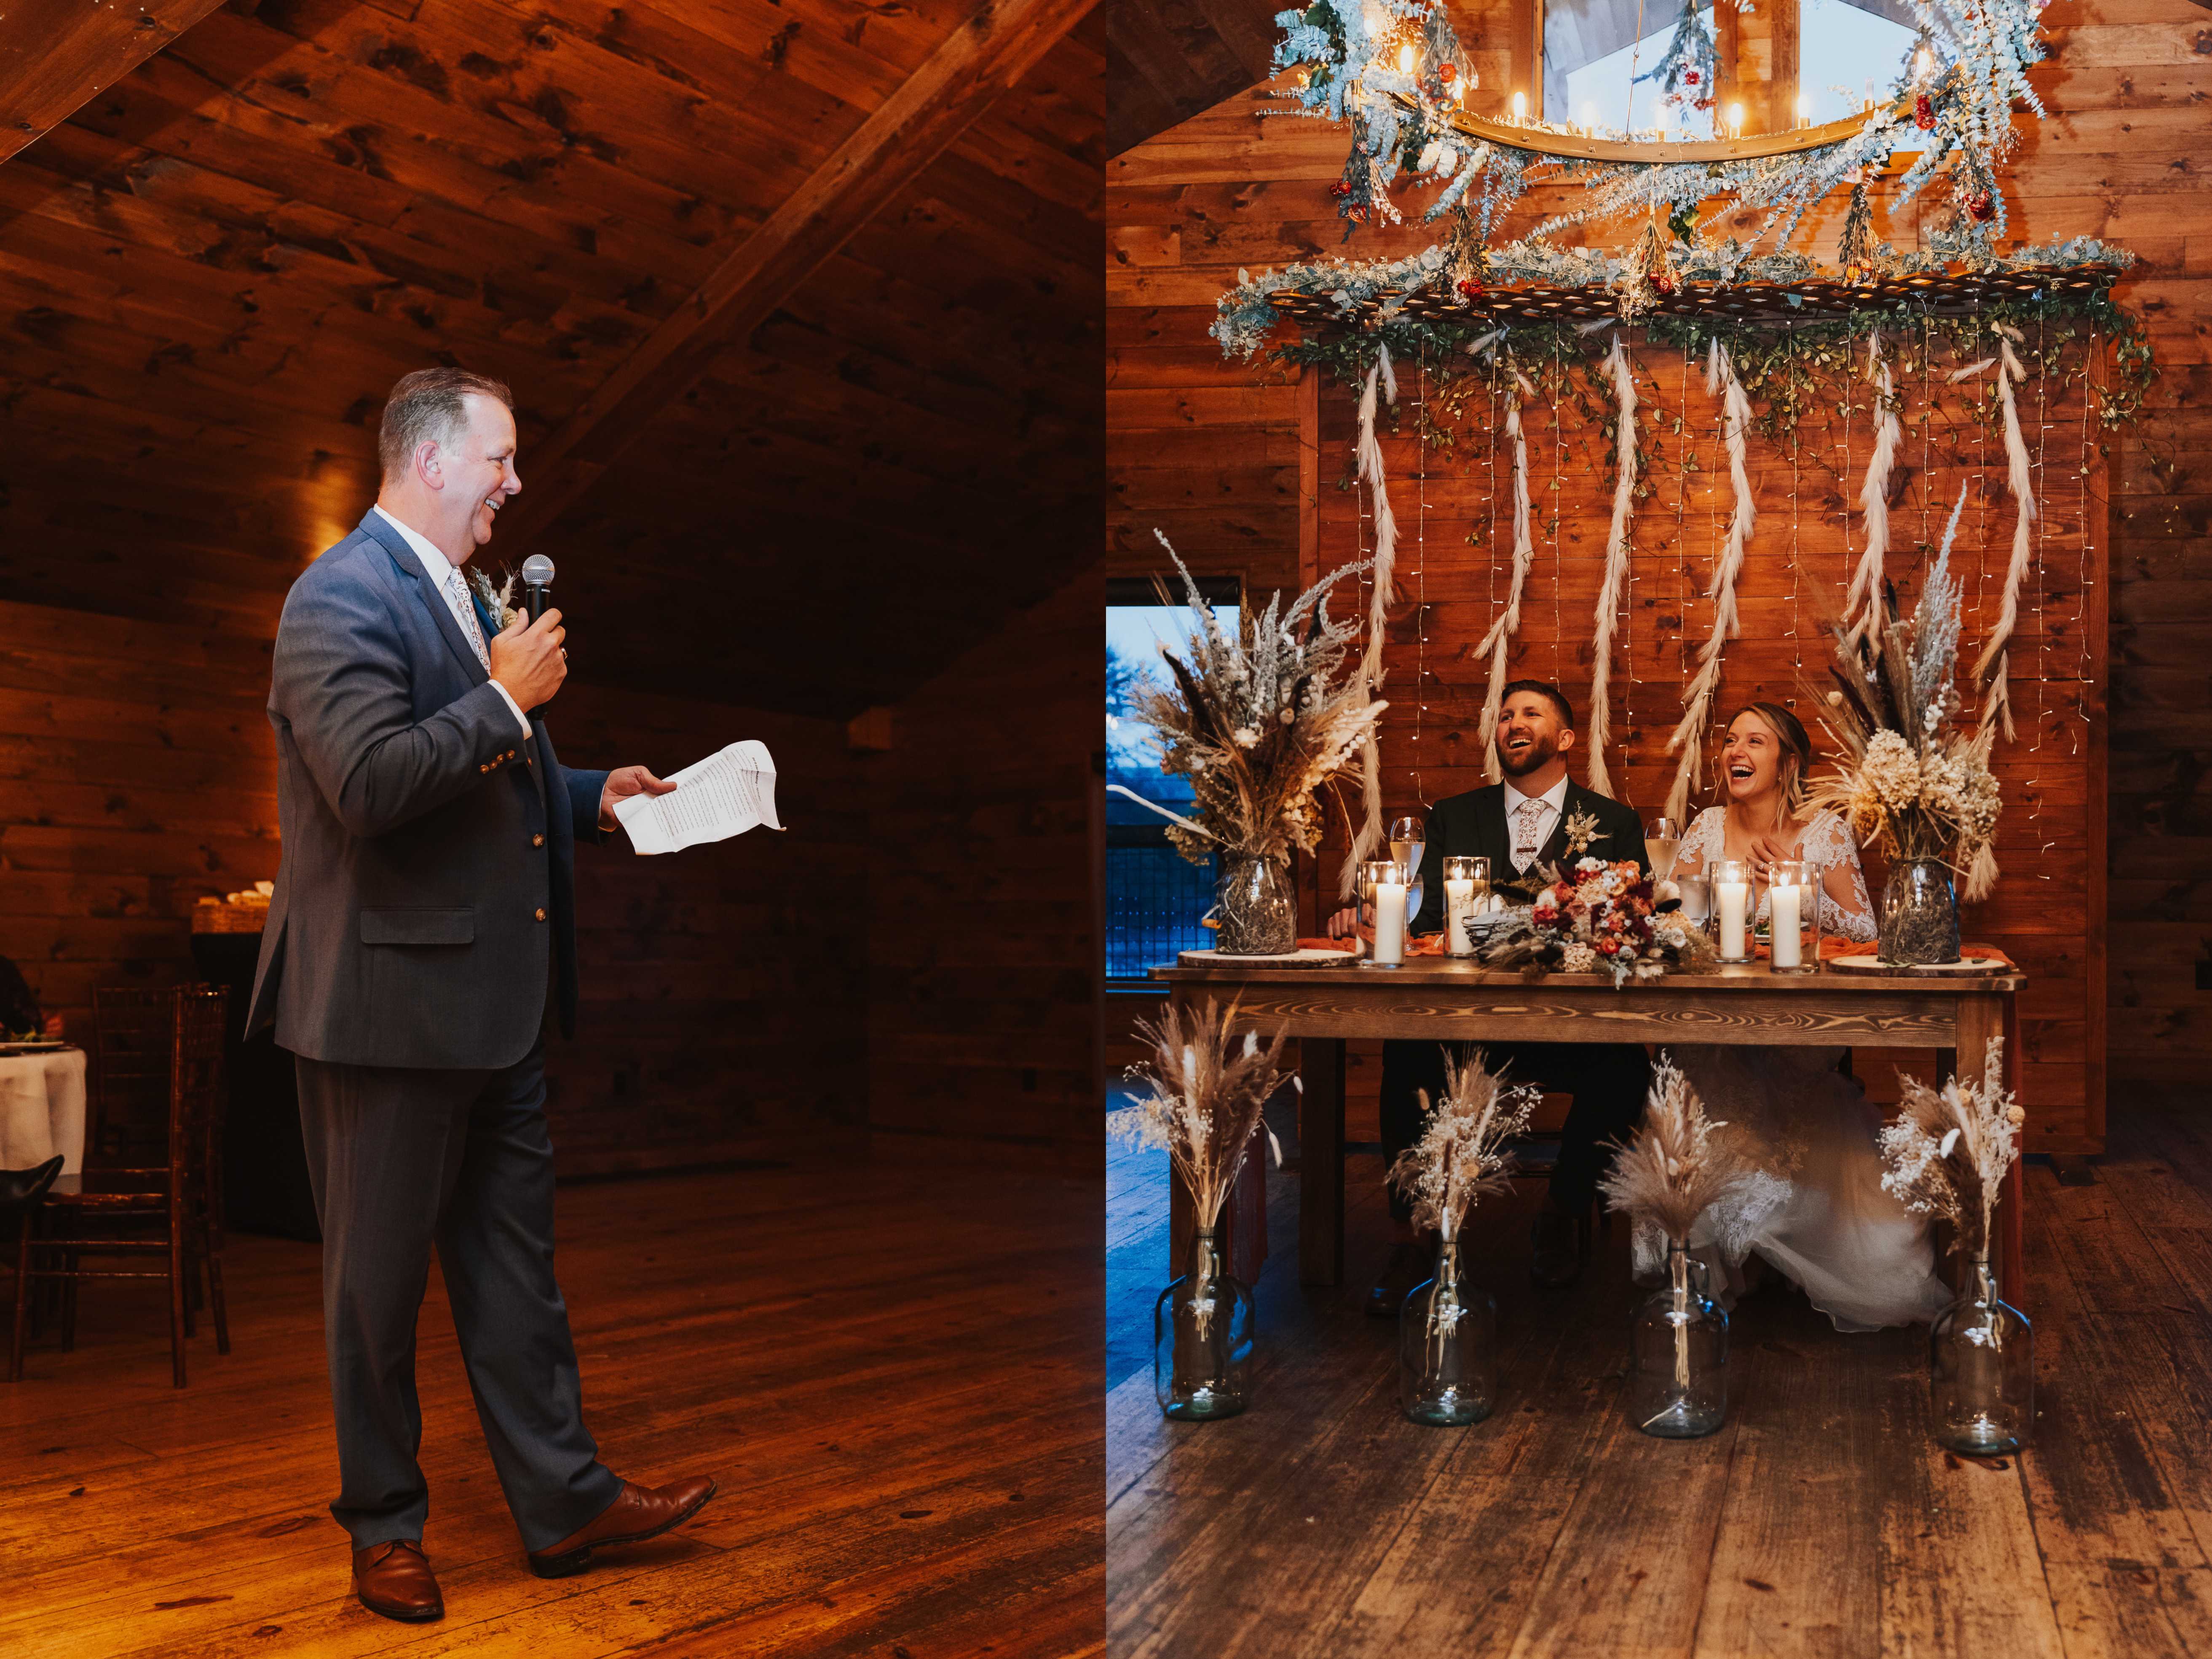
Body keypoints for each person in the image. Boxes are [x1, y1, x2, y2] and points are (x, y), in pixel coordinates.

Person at [246, 368, 714, 1624]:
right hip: (384, 1014)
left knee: (517, 1273)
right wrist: (508, 696)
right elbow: (372, 785)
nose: (515, 484)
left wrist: (593, 792)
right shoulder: (334, 594)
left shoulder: (462, 595)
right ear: (434, 461)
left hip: (493, 1009)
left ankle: (563, 1504)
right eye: (502, 459)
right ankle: (385, 1528)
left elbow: (487, 791)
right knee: (375, 1290)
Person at [1331, 681, 1652, 1308]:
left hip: (1575, 1027)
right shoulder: (1454, 815)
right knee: (1406, 1056)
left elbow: (1636, 916)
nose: (1511, 723)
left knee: (1625, 1069)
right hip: (1468, 1024)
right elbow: (1422, 920)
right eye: (1504, 715)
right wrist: (1372, 919)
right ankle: (1412, 1234)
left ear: (1563, 739)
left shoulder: (1614, 822)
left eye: (1529, 713)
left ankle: (1560, 1213)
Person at [1666, 703, 1951, 1330]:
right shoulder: (1704, 828)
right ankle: (1732, 1257)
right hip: (1717, 1019)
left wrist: (1804, 888)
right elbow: (1675, 921)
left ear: (1786, 761)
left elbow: (1866, 930)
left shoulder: (1822, 831)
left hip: (1798, 1026)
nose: (1734, 750)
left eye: (1754, 740)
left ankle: (1790, 1247)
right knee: (1698, 1080)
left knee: (1784, 1102)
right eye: (1730, 738)